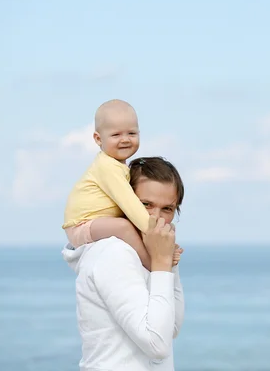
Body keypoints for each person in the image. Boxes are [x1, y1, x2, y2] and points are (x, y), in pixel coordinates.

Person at [62, 156, 185, 371]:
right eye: (146, 205)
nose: (156, 218)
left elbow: (171, 327)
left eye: (167, 209)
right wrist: (163, 262)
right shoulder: (114, 252)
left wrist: (166, 263)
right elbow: (157, 344)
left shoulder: (152, 252)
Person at [62, 99, 181, 270]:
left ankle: (159, 252)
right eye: (116, 135)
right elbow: (131, 205)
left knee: (131, 225)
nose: (125, 140)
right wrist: (156, 234)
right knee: (124, 226)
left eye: (131, 134)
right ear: (98, 138)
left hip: (97, 222)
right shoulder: (107, 167)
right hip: (82, 225)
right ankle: (153, 263)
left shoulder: (117, 166)